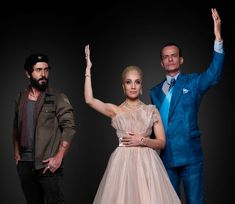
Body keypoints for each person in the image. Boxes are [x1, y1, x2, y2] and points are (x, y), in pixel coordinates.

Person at [84, 45, 181, 204]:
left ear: (141, 85)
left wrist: (142, 141)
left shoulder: (151, 111)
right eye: (129, 82)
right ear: (123, 86)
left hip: (148, 164)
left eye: (137, 82)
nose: (133, 86)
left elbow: (162, 143)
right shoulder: (115, 110)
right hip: (122, 164)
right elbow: (89, 100)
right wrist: (88, 70)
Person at [149, 8, 224, 204]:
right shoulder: (154, 92)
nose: (170, 58)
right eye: (166, 57)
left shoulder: (193, 82)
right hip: (166, 158)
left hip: (191, 155)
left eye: (174, 55)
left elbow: (214, 74)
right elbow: (152, 127)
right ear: (162, 63)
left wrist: (218, 38)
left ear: (181, 60)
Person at [13, 53, 76, 204]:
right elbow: (16, 126)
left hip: (48, 165)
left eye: (46, 70)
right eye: (38, 70)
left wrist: (59, 156)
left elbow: (69, 127)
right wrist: (17, 155)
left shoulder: (57, 97)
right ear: (28, 73)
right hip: (25, 165)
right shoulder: (21, 97)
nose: (43, 74)